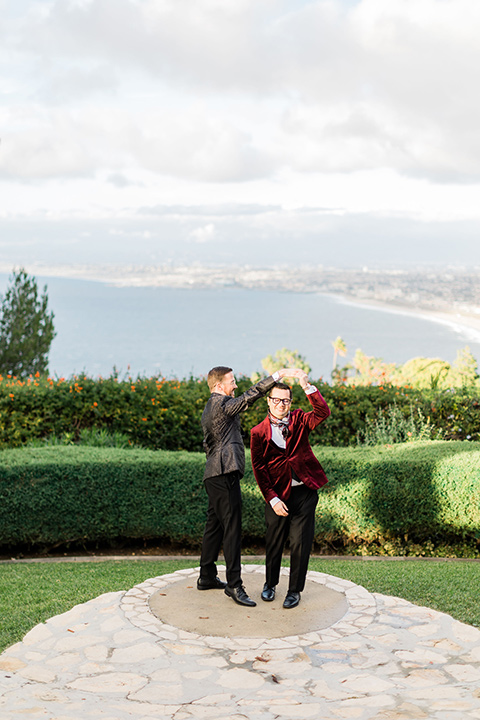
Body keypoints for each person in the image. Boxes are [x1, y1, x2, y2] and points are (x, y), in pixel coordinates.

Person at [197, 365, 306, 607]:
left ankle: (206, 576)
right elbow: (249, 396)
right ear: (218, 386)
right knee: (232, 529)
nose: (235, 385)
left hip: (213, 474)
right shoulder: (222, 405)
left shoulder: (209, 409)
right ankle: (234, 585)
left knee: (214, 526)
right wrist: (277, 376)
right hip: (224, 474)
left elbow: (208, 444)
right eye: (231, 381)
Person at [250, 373, 330, 608]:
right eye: (276, 400)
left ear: (291, 403)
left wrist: (306, 385)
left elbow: (322, 413)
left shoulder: (300, 420)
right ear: (268, 400)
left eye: (285, 400)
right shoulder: (258, 432)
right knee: (274, 542)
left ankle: (295, 590)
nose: (281, 405)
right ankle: (270, 584)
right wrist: (272, 498)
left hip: (304, 492)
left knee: (300, 543)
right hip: (277, 495)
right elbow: (259, 469)